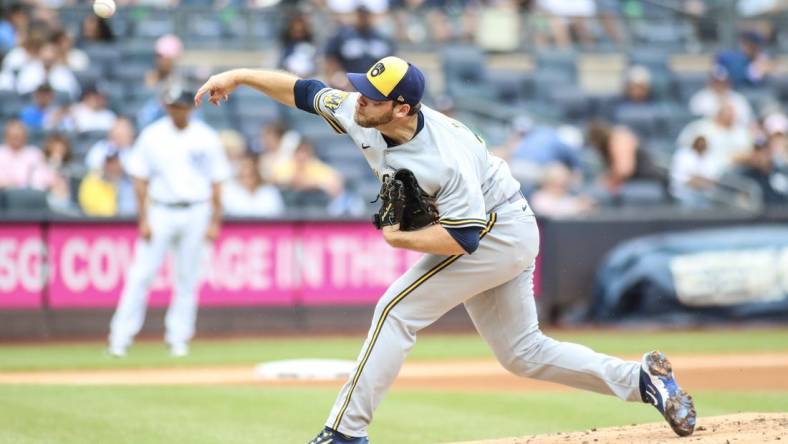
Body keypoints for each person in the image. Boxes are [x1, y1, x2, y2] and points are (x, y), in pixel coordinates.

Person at [195, 56, 697, 443]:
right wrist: (238, 75)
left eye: (372, 96)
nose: (358, 99)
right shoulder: (360, 112)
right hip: (498, 229)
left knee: (396, 308)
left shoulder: (444, 157)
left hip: (498, 230)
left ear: (402, 107)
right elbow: (306, 92)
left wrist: (400, 238)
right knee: (523, 354)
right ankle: (642, 382)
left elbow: (464, 239)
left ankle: (346, 432)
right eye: (362, 89)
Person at [108, 85, 231, 358]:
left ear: (190, 107)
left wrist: (214, 221)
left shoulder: (206, 137)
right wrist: (143, 217)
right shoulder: (153, 135)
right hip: (161, 209)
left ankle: (178, 338)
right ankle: (120, 338)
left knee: (187, 278)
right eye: (173, 105)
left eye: (181, 106)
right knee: (141, 275)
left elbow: (217, 182)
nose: (177, 110)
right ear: (166, 106)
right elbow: (139, 179)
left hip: (196, 210)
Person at [324, 6, 396, 90]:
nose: (363, 18)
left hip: (375, 82)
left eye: (366, 15)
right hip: (347, 81)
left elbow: (391, 62)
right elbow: (331, 59)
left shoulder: (383, 38)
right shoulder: (342, 35)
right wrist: (338, 75)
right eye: (360, 15)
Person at [688, 65, 753, 127]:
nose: (720, 85)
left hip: (735, 134)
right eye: (717, 82)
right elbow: (695, 124)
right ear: (710, 81)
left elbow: (747, 121)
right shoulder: (700, 99)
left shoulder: (739, 99)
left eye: (723, 82)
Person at [79, 149, 136, 216]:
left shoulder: (131, 181)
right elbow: (94, 209)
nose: (112, 167)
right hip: (102, 223)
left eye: (116, 162)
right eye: (109, 162)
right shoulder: (92, 181)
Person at [0, 119, 51, 190]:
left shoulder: (34, 153)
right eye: (13, 136)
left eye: (19, 136)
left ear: (25, 137)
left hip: (31, 194)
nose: (16, 139)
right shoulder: (1, 153)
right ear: (6, 137)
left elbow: (43, 176)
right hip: (4, 194)